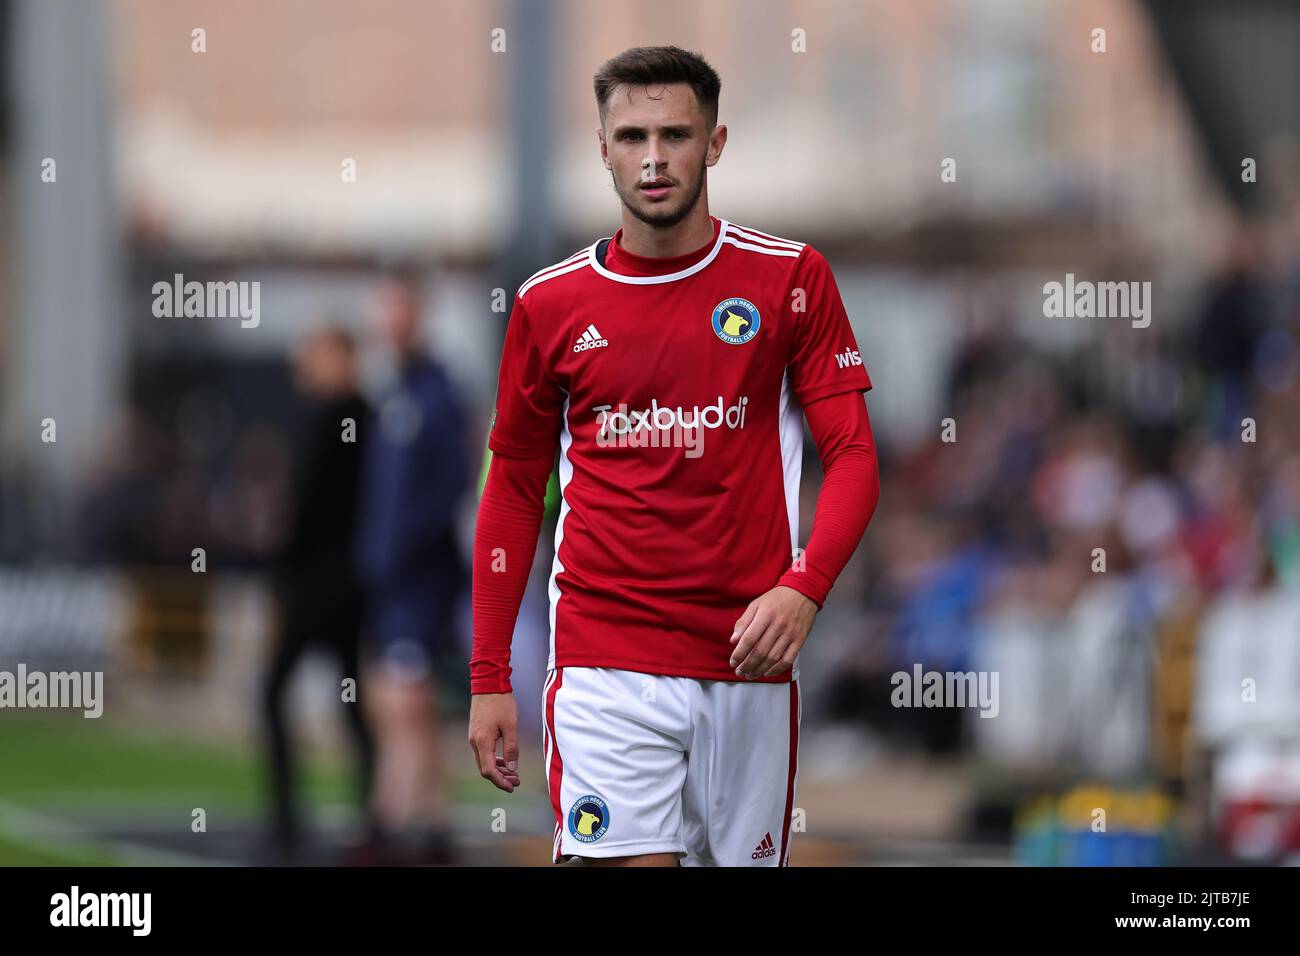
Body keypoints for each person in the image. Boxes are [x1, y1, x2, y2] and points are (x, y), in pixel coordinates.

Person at [469, 46, 881, 866]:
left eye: (674, 135)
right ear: (602, 149)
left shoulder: (790, 279)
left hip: (749, 664)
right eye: (630, 137)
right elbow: (515, 491)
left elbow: (854, 455)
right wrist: (488, 674)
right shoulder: (550, 305)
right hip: (604, 664)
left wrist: (806, 587)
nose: (653, 159)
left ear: (715, 143)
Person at [357, 276, 470, 864]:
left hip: (420, 581)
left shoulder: (435, 395)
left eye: (397, 309)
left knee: (405, 702)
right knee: (399, 703)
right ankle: (434, 827)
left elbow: (451, 484)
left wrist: (405, 552)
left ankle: (387, 826)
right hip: (388, 580)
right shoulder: (391, 394)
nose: (387, 321)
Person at [263, 327, 376, 861]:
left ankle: (288, 822)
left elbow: (302, 510)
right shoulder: (366, 416)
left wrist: (279, 569)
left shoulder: (337, 418)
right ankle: (368, 816)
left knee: (274, 695)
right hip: (347, 587)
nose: (306, 366)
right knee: (351, 705)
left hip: (318, 588)